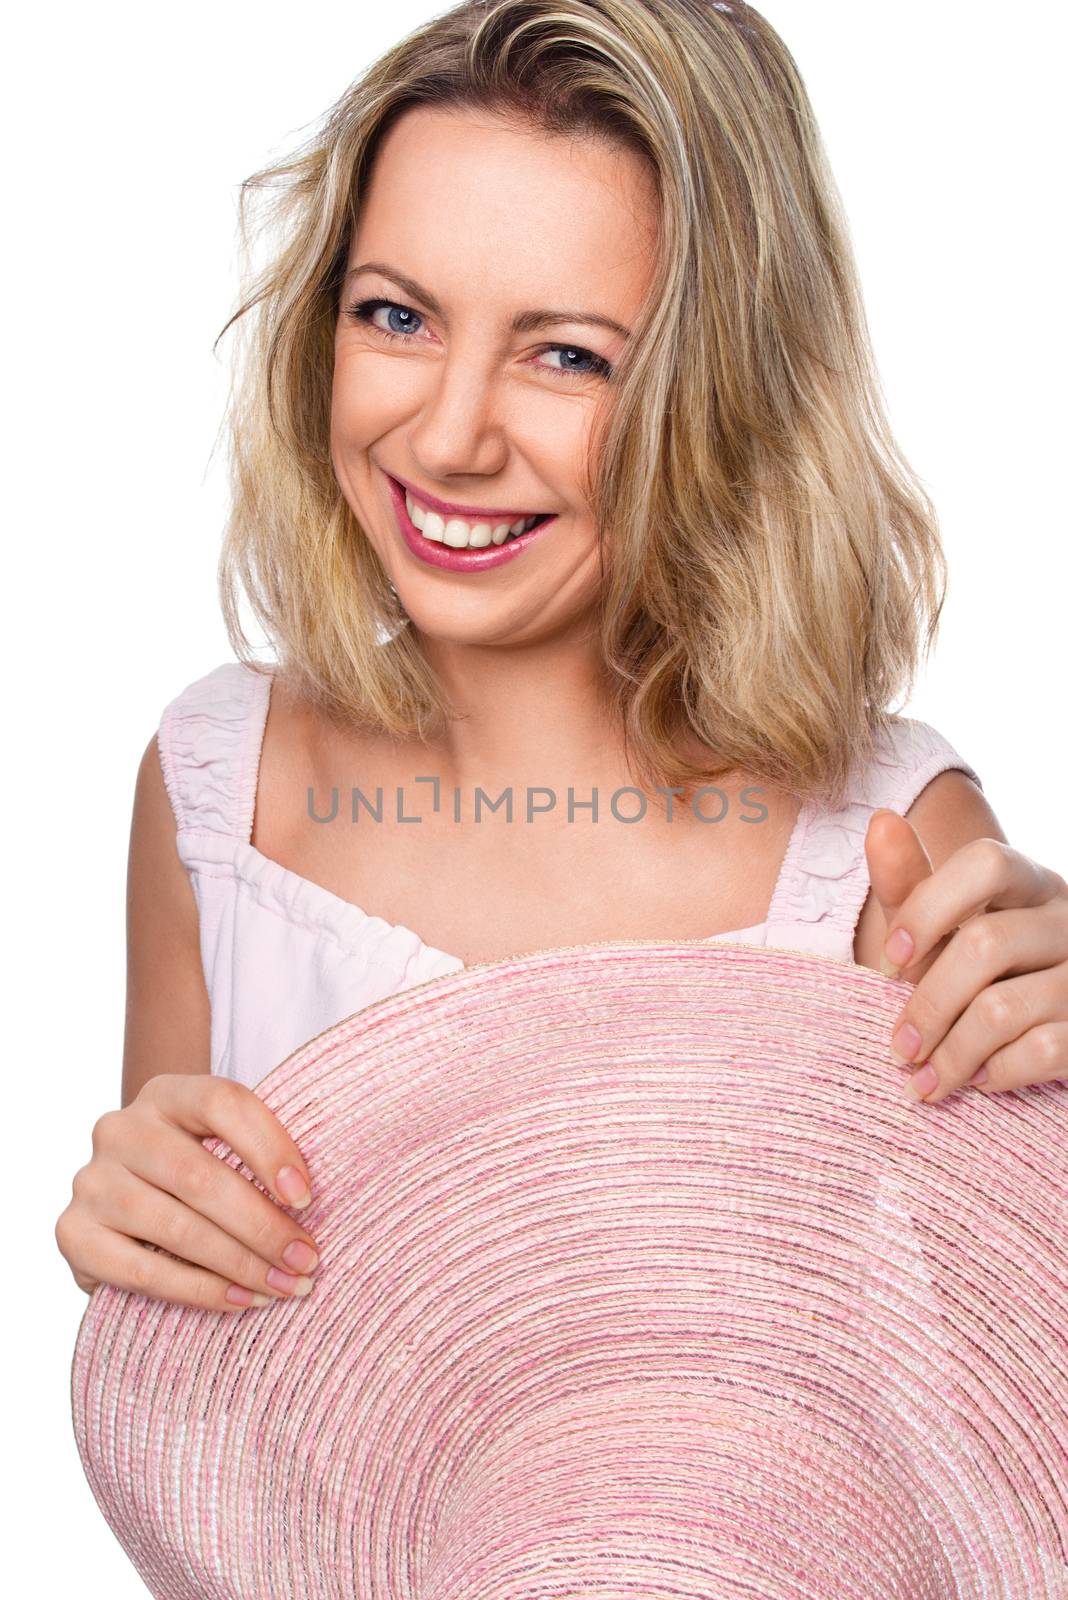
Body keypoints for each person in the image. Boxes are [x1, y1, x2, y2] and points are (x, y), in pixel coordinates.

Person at [55, 0, 1068, 1318]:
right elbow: (206, 1425)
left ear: (725, 392)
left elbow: (990, 1422)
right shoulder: (220, 787)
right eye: (397, 318)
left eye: (568, 355)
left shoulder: (871, 854)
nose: (453, 435)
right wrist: (130, 1232)